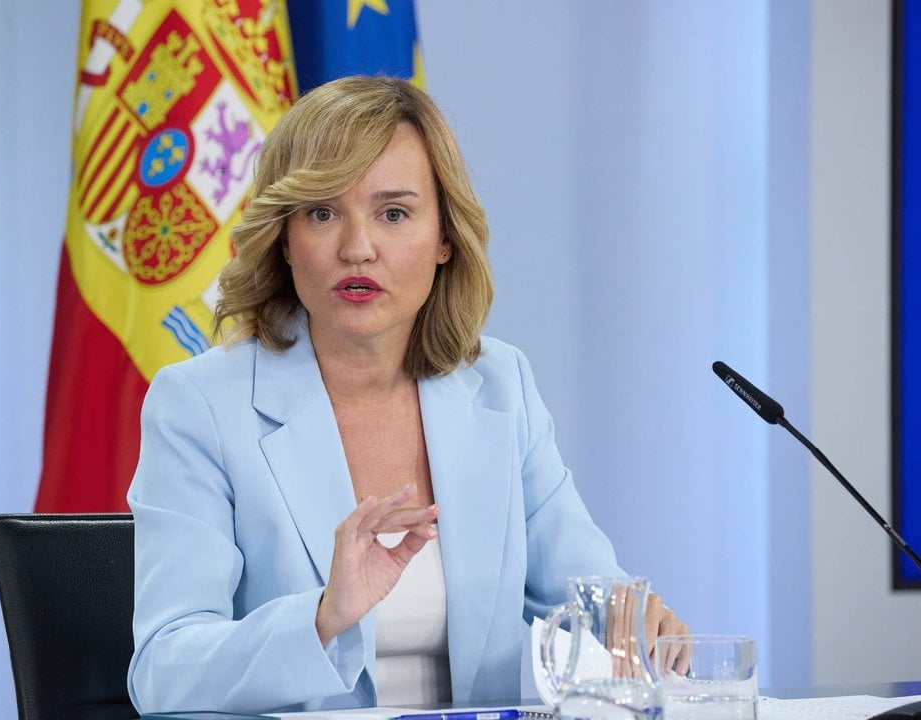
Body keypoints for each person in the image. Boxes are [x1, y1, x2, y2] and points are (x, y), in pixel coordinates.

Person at [126, 75, 686, 715]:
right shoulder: (201, 406)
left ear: (445, 237)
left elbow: (584, 597)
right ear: (283, 236)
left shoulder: (502, 387)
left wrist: (634, 629)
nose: (357, 249)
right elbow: (164, 670)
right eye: (322, 212)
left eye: (394, 213)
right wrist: (320, 617)